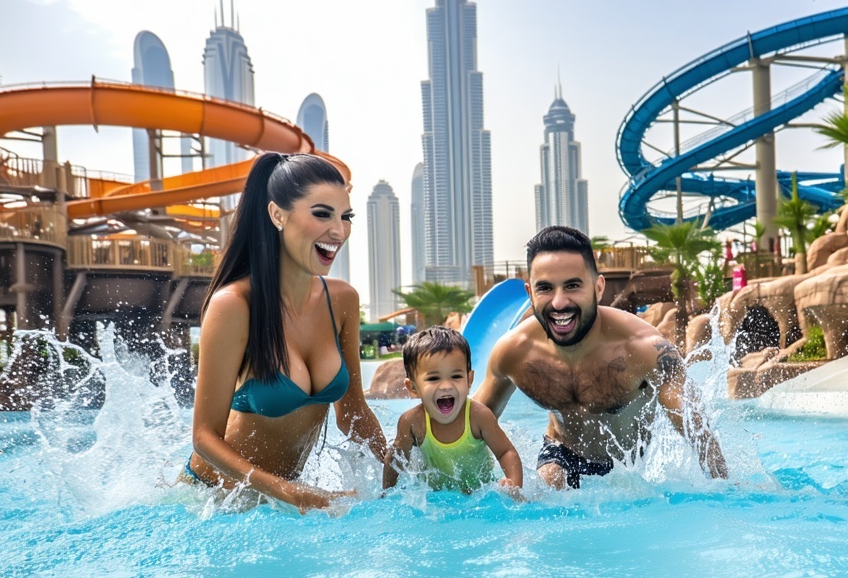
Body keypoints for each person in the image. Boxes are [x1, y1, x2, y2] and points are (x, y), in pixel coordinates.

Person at [187, 153, 388, 511]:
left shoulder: (342, 300)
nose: (339, 232)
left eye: (346, 217)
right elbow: (204, 437)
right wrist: (287, 492)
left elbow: (353, 414)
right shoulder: (233, 305)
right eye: (322, 214)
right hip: (212, 499)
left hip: (286, 501)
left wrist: (399, 474)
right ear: (278, 215)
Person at [474, 225, 728, 488]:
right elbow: (468, 423)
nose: (559, 303)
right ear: (530, 294)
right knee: (549, 485)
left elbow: (698, 430)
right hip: (560, 452)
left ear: (598, 288)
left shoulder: (643, 349)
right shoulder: (513, 352)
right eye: (545, 288)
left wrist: (725, 488)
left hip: (626, 469)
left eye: (572, 286)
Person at [383, 326, 524, 493]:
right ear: (413, 387)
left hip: (479, 492)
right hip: (434, 498)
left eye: (456, 376)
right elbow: (396, 461)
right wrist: (387, 494)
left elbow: (506, 452)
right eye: (434, 378)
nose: (446, 386)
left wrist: (513, 487)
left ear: (469, 380)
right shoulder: (412, 422)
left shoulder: (479, 417)